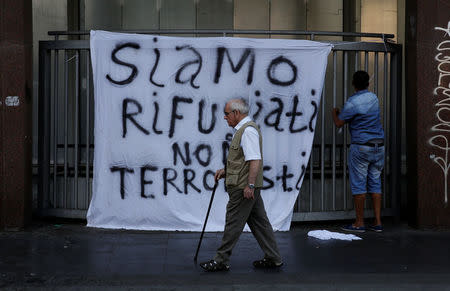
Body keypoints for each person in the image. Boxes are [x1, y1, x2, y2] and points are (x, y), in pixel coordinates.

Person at [199, 98, 283, 272]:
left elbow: (254, 160)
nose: (224, 117)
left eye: (227, 113)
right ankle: (273, 257)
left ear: (236, 113)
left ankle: (221, 260)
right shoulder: (244, 130)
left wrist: (250, 186)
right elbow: (243, 160)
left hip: (242, 187)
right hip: (245, 185)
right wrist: (226, 170)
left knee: (233, 223)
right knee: (260, 223)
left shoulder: (247, 131)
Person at [332, 70, 385, 233]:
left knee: (359, 185)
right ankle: (377, 222)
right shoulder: (374, 98)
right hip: (379, 146)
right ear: (368, 84)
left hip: (361, 147)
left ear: (353, 84)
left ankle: (359, 223)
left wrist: (335, 113)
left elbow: (340, 123)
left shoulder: (352, 102)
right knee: (375, 183)